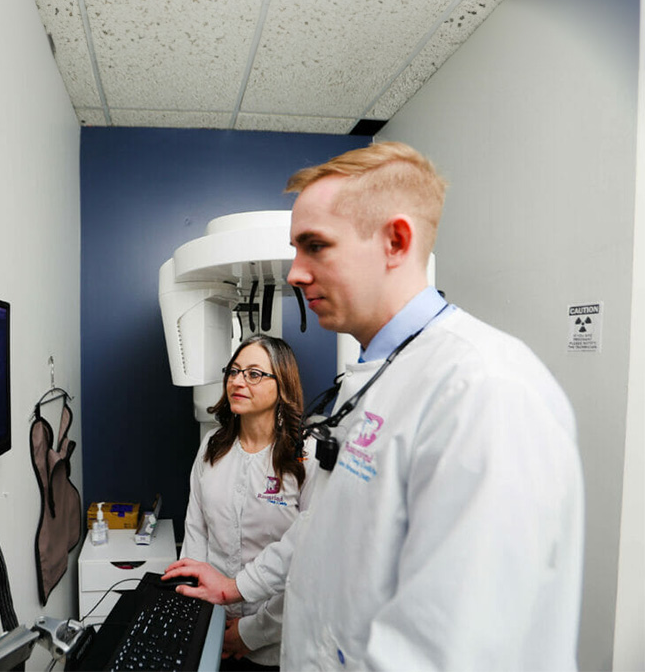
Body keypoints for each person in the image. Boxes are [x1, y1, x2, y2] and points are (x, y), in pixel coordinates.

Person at [165, 141, 585, 670]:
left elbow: (456, 646)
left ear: (395, 241)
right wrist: (235, 587)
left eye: (316, 245)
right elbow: (315, 529)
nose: (295, 272)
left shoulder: (483, 390)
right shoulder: (369, 382)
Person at [180, 334, 317, 670]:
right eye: (234, 371)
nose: (238, 381)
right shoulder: (212, 447)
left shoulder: (307, 455)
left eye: (254, 374)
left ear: (282, 384)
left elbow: (308, 565)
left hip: (276, 644)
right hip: (212, 631)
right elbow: (196, 534)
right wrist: (199, 616)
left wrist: (249, 633)